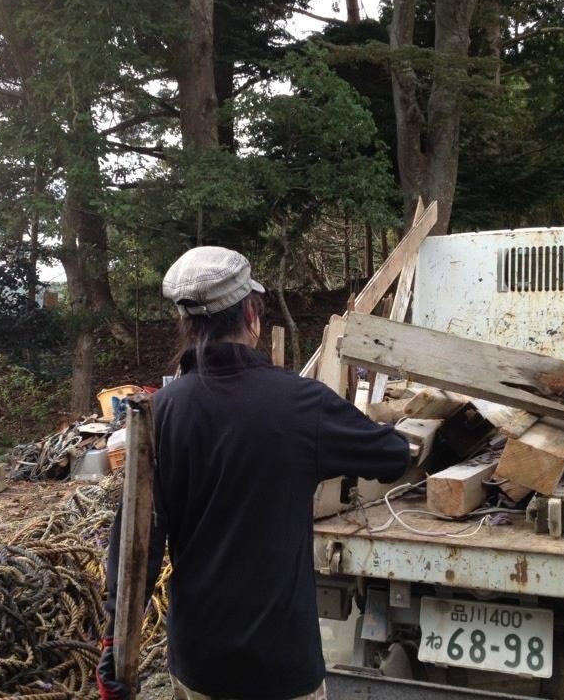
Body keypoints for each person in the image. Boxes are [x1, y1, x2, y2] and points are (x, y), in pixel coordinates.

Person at [98, 247, 410, 700]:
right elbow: (392, 456)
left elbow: (135, 543)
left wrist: (113, 642)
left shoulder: (159, 413)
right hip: (281, 663)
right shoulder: (301, 404)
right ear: (251, 313)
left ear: (186, 325)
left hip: (199, 659)